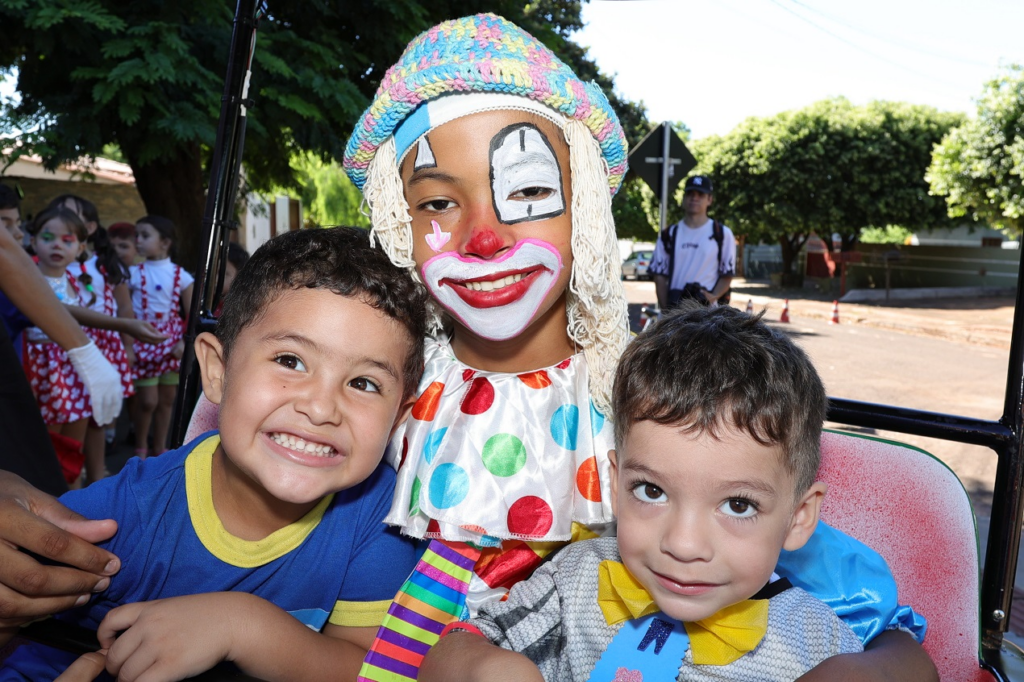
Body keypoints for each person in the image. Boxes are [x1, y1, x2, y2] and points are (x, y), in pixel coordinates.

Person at [0, 15, 935, 682]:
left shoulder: (651, 395)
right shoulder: (382, 394)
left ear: (587, 207)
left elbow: (818, 577)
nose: (482, 238)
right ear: (404, 226)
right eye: (441, 203)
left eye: (525, 193)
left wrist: (878, 663)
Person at [0, 227, 426, 681]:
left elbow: (374, 669)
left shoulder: (382, 516)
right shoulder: (123, 514)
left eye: (364, 384)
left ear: (399, 415)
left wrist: (243, 626)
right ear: (217, 371)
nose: (321, 408)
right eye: (290, 360)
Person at [420, 305, 864, 682]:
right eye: (651, 490)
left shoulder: (820, 644)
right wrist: (487, 668)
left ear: (799, 517)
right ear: (614, 484)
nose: (683, 544)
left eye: (738, 505)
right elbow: (450, 652)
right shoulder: (575, 581)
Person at [0, 186, 119, 496]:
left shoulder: (82, 281)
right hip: (38, 373)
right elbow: (53, 310)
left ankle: (72, 501)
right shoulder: (22, 279)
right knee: (40, 452)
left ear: (81, 245)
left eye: (16, 224)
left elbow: (74, 313)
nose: (15, 234)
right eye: (5, 224)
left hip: (71, 374)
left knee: (70, 450)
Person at [50, 196, 136, 485]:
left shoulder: (104, 265)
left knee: (97, 419)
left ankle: (98, 480)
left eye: (68, 216)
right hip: (62, 351)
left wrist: (128, 345)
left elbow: (124, 308)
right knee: (66, 417)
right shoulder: (48, 264)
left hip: (101, 347)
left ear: (89, 227)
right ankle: (64, 479)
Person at [129, 215, 194, 458]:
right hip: (143, 341)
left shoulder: (182, 276)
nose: (138, 241)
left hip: (171, 344)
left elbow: (191, 315)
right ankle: (140, 446)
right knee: (147, 400)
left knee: (167, 399)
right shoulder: (133, 274)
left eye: (145, 236)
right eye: (137, 235)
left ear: (165, 242)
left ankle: (159, 447)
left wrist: (182, 342)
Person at [649, 175, 736, 310]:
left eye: (700, 194)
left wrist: (712, 296)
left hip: (707, 315)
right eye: (690, 193)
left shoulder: (722, 234)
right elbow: (659, 276)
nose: (694, 198)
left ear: (710, 199)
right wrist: (666, 310)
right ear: (683, 198)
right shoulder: (669, 234)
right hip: (675, 310)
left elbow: (727, 275)